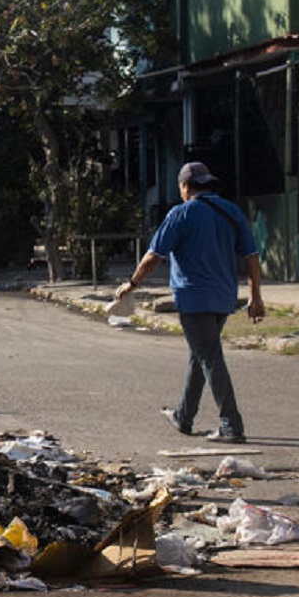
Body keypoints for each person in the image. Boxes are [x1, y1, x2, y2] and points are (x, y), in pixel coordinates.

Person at [114, 162, 265, 443]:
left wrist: (132, 283)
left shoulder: (181, 213)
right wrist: (256, 296)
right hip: (223, 298)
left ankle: (232, 425)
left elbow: (153, 256)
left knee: (209, 357)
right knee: (201, 355)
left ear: (185, 186)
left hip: (193, 298)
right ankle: (184, 417)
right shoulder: (232, 211)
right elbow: (252, 257)